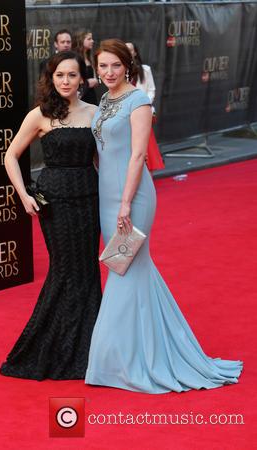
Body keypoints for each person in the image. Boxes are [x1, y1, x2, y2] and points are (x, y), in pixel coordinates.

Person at [85, 39, 243, 394]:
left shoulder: (138, 101)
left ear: (128, 66)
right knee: (133, 271)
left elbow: (138, 155)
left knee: (123, 271)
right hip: (106, 197)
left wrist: (125, 203)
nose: (108, 72)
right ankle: (148, 350)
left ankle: (119, 362)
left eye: (115, 65)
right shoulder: (104, 100)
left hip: (133, 198)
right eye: (102, 66)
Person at [0, 51, 102, 381]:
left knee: (87, 270)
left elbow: (106, 161)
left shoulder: (95, 114)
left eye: (72, 75)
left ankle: (89, 350)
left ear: (82, 80)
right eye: (60, 75)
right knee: (64, 270)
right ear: (51, 78)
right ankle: (53, 348)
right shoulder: (40, 115)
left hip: (89, 198)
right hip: (55, 202)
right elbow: (11, 156)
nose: (66, 81)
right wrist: (23, 195)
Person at [126, 41, 164, 172]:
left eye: (130, 49)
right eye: (125, 49)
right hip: (126, 113)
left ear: (135, 52)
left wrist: (143, 103)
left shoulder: (145, 70)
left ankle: (149, 170)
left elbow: (151, 89)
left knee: (147, 143)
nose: (128, 52)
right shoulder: (120, 71)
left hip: (143, 111)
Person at [72, 29, 98, 105]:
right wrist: (88, 83)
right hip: (80, 97)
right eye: (89, 39)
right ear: (80, 40)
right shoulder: (74, 58)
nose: (92, 41)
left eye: (92, 39)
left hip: (91, 96)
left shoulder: (89, 57)